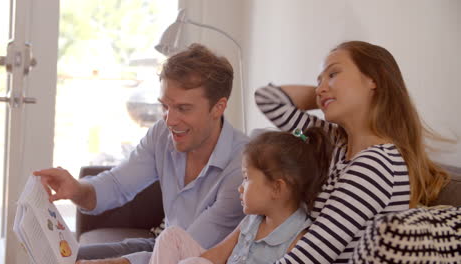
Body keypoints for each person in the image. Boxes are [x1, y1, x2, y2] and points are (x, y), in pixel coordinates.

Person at [33, 43, 249, 264]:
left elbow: (187, 254)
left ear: (218, 107)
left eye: (183, 108)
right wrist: (76, 190)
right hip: (161, 245)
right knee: (57, 258)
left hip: (197, 257)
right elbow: (117, 185)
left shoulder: (242, 168)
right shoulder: (162, 134)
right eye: (165, 106)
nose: (170, 120)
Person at [255, 40, 450, 263]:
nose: (319, 87)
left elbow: (310, 257)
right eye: (318, 81)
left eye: (333, 73)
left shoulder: (376, 164)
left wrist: (330, 94)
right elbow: (268, 100)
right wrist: (327, 94)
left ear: (373, 79)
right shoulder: (332, 141)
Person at [147, 128, 333, 264]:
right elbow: (217, 255)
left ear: (277, 188)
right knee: (171, 236)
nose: (240, 188)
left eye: (246, 178)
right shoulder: (252, 220)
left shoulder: (299, 238)